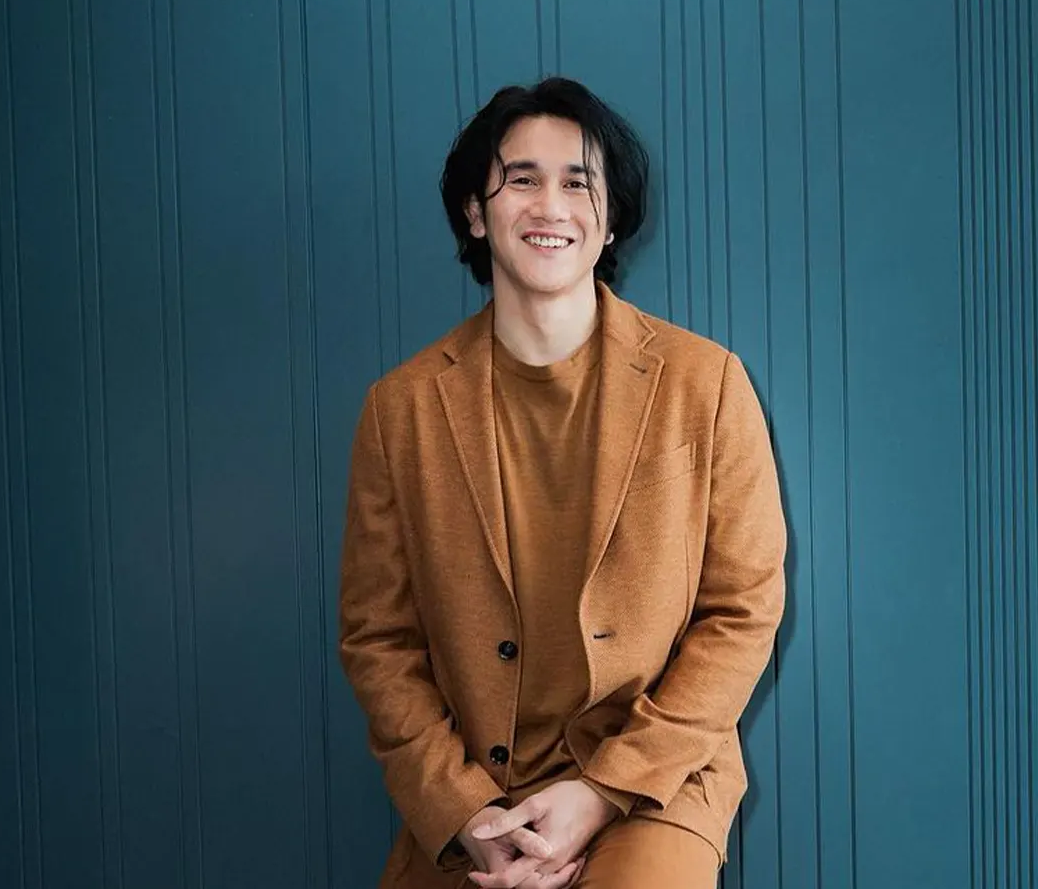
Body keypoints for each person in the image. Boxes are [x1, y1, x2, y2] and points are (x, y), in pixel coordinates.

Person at [337, 76, 786, 889]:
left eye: (579, 183)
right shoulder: (399, 410)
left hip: (655, 782)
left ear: (609, 220)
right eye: (521, 179)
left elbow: (743, 610)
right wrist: (464, 812)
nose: (551, 206)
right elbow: (379, 641)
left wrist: (604, 789)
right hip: (476, 798)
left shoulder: (707, 383)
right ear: (476, 211)